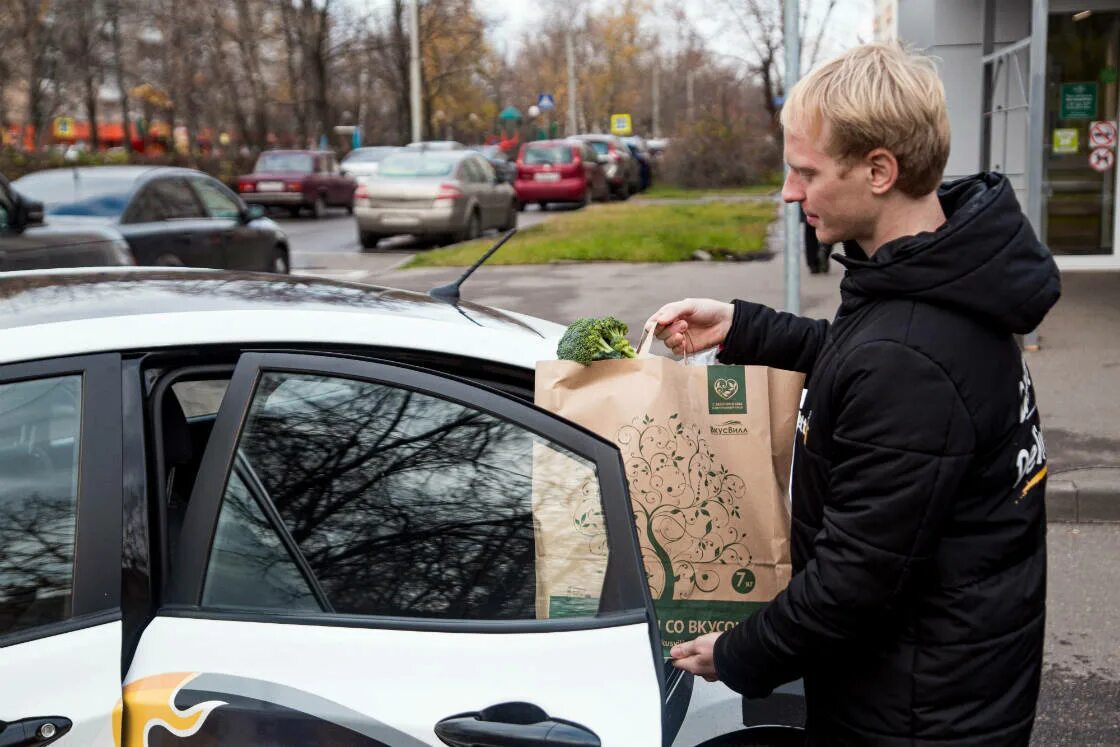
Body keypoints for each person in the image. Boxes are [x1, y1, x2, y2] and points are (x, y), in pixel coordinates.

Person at [650, 43, 1059, 745]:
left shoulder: (911, 355)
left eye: (805, 172)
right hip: (938, 684)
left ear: (878, 170)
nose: (788, 192)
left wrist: (739, 653)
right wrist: (745, 326)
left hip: (913, 717)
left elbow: (852, 583)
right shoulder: (932, 279)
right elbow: (859, 365)